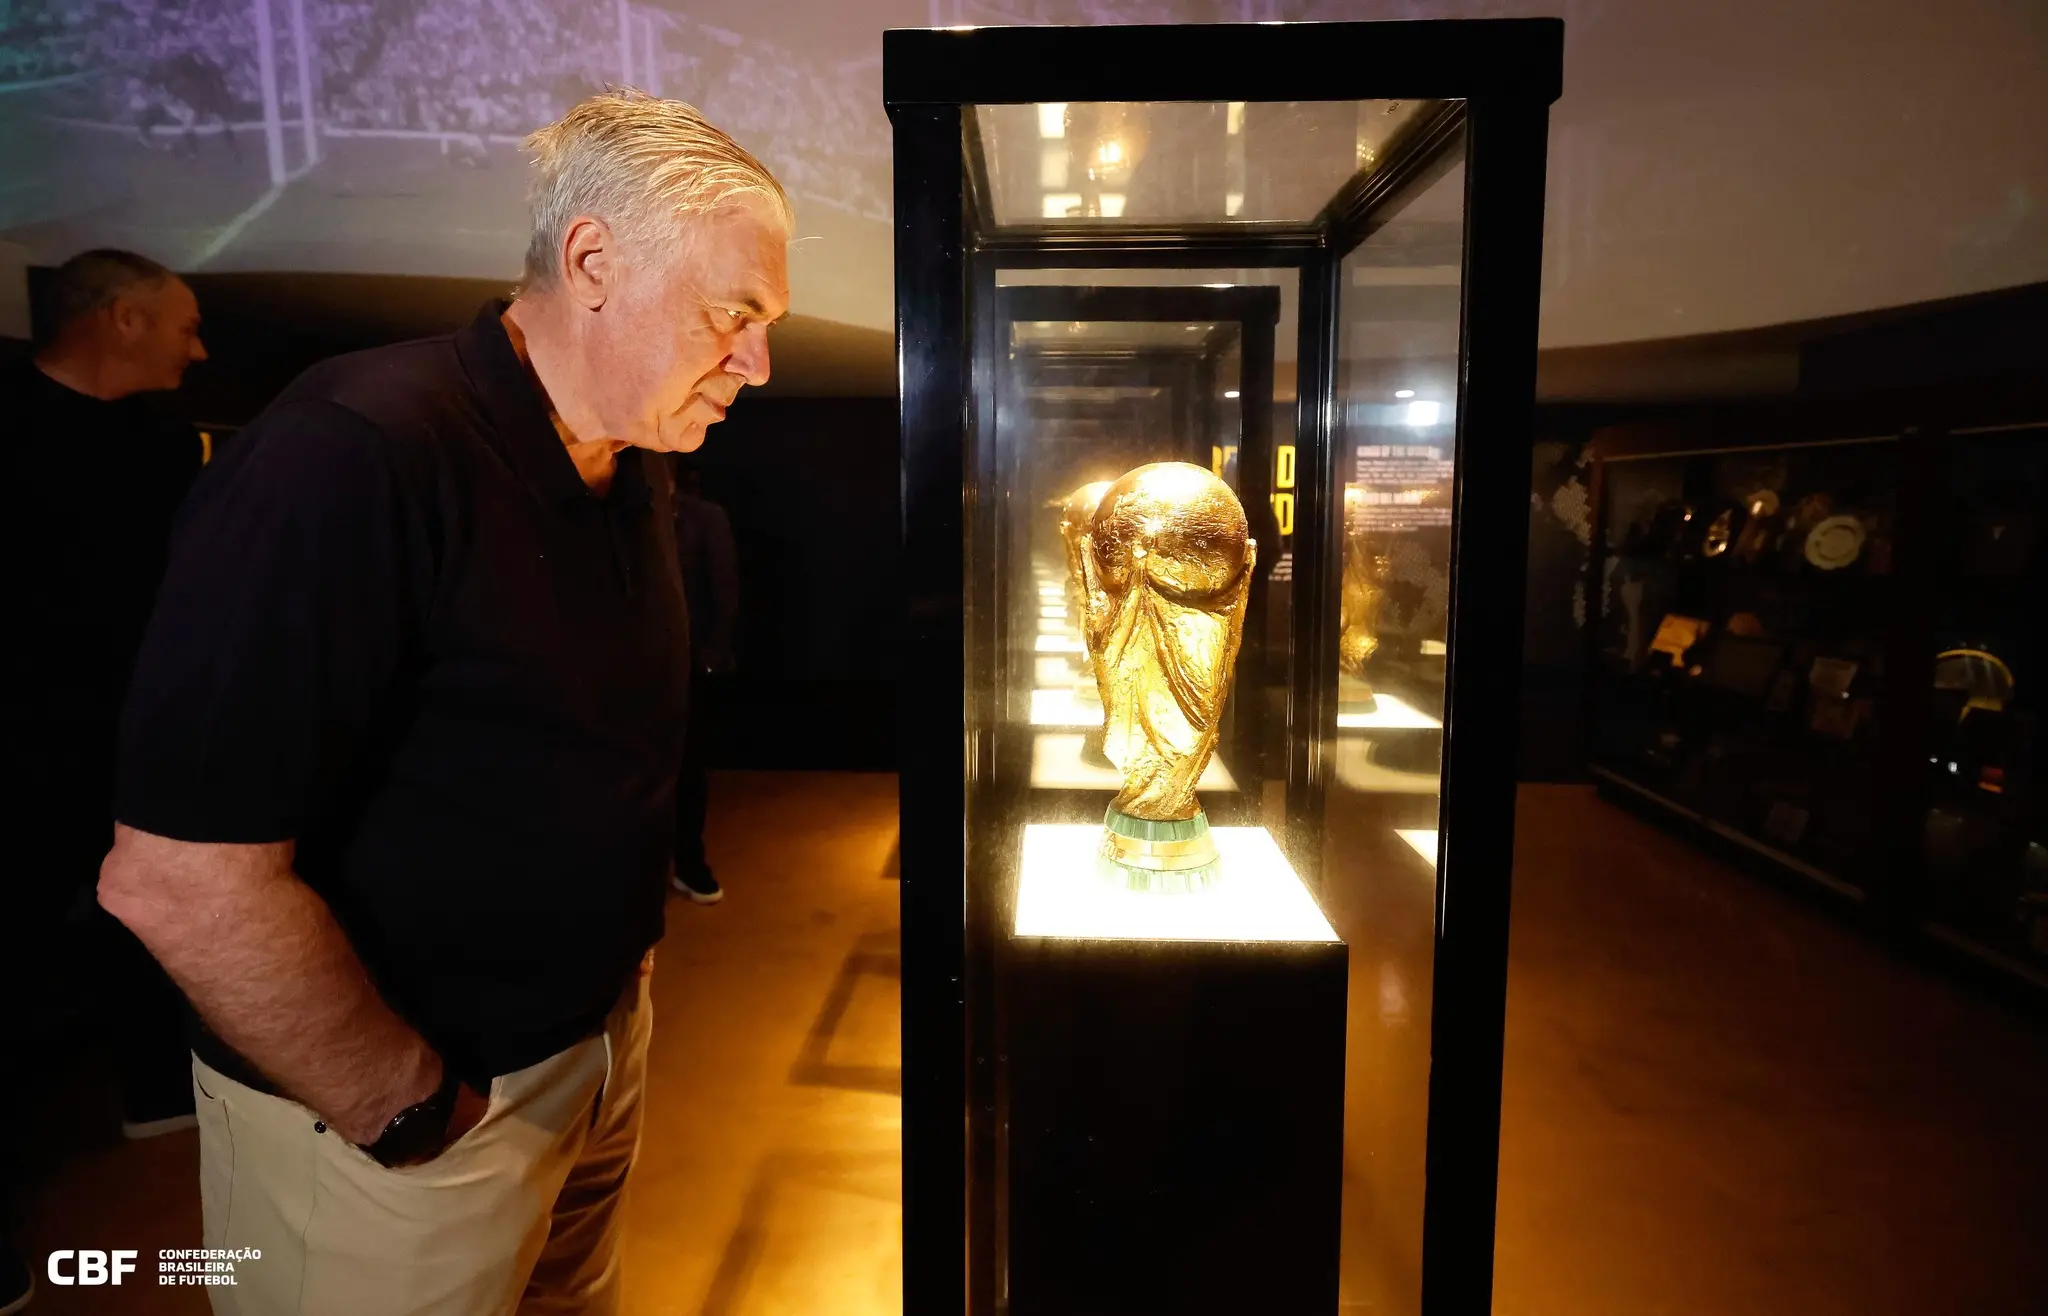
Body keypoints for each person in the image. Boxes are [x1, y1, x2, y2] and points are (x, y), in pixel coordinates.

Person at [96, 91, 788, 1315]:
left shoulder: (634, 471)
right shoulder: (351, 450)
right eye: (733, 314)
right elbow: (179, 879)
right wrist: (404, 1101)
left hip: (589, 1059)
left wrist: (609, 1017)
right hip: (404, 1124)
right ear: (591, 261)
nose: (757, 362)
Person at [0, 248, 208, 1316]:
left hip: (133, 754)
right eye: (182, 324)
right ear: (122, 319)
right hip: (18, 763)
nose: (199, 345)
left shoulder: (166, 451)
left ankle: (158, 1092)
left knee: (150, 921)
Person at [669, 462, 740, 904]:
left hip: (688, 666)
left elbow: (723, 586)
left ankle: (690, 862)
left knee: (688, 771)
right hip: (625, 670)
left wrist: (712, 655)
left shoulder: (701, 517)